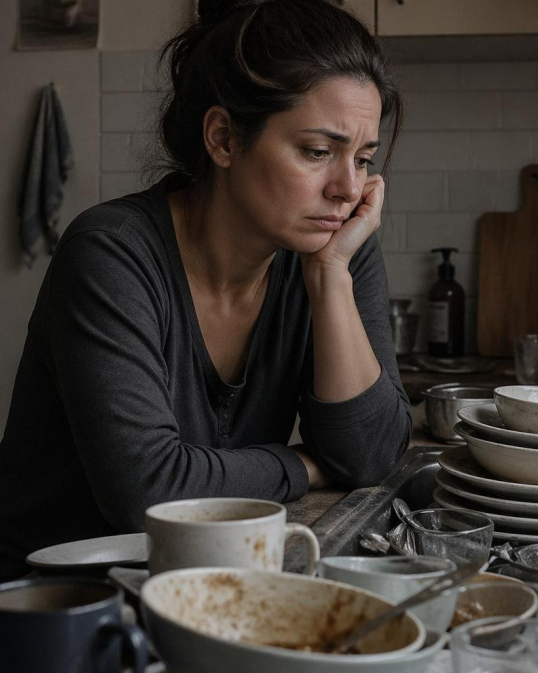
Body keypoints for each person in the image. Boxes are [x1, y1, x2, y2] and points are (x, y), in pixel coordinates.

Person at [0, 0, 411, 581]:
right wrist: (306, 465)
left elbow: (370, 457)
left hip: (201, 583)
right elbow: (148, 494)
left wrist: (329, 277)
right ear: (223, 139)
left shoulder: (335, 250)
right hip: (63, 602)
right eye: (318, 152)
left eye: (363, 159)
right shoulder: (110, 255)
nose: (348, 189)